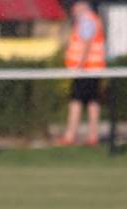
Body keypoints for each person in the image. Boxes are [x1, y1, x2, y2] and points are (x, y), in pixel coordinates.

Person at [59, 1, 106, 146]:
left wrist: (79, 65)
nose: (73, 10)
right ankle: (92, 136)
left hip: (86, 70)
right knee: (92, 101)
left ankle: (70, 136)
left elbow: (86, 43)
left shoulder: (87, 20)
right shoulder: (92, 19)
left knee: (76, 101)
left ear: (82, 5)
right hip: (93, 69)